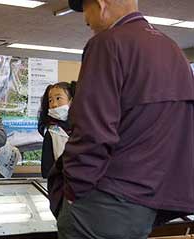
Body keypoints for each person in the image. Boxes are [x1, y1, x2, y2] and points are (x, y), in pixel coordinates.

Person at [48, 0, 194, 238]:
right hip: (146, 204)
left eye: (86, 10)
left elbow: (91, 130)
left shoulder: (107, 44)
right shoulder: (174, 51)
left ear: (100, 4)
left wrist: (73, 191)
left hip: (101, 202)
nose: (87, 21)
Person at [38, 82, 75, 178]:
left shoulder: (84, 127)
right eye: (50, 100)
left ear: (71, 100)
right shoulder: (51, 133)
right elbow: (47, 170)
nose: (54, 104)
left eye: (58, 98)